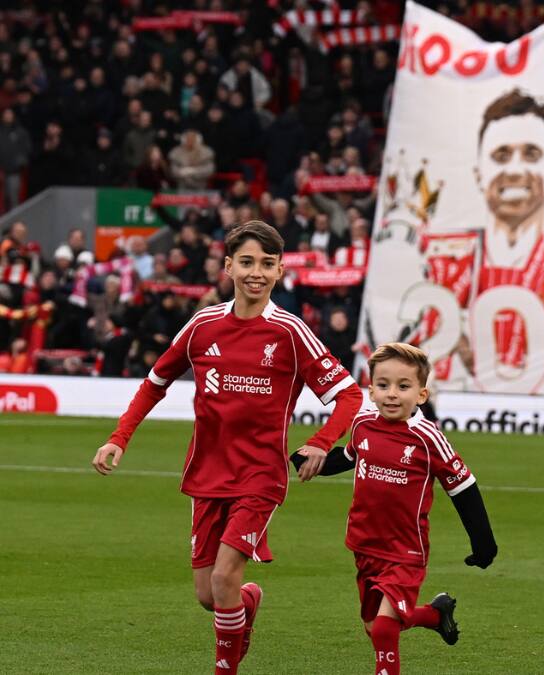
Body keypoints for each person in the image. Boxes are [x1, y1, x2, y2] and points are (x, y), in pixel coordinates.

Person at [91, 221, 364, 675]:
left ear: (279, 272)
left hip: (260, 476)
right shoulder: (202, 325)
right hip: (207, 472)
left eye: (267, 264)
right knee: (209, 594)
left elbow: (350, 395)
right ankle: (248, 602)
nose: (256, 272)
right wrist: (118, 437)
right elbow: (155, 382)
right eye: (247, 262)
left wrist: (320, 443)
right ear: (228, 266)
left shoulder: (290, 332)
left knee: (222, 578)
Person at [290, 342, 497, 674]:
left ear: (421, 395)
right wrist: (314, 463)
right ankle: (434, 614)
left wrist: (483, 542)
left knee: (385, 629)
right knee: (375, 627)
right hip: (364, 544)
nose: (392, 394)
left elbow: (463, 487)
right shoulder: (363, 425)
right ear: (370, 390)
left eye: (404, 386)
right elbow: (348, 457)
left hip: (405, 550)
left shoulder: (429, 438)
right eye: (383, 385)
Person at [403, 89, 544, 393]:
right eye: (501, 156)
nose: (515, 170)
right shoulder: (444, 266)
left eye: (532, 154)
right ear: (479, 174)